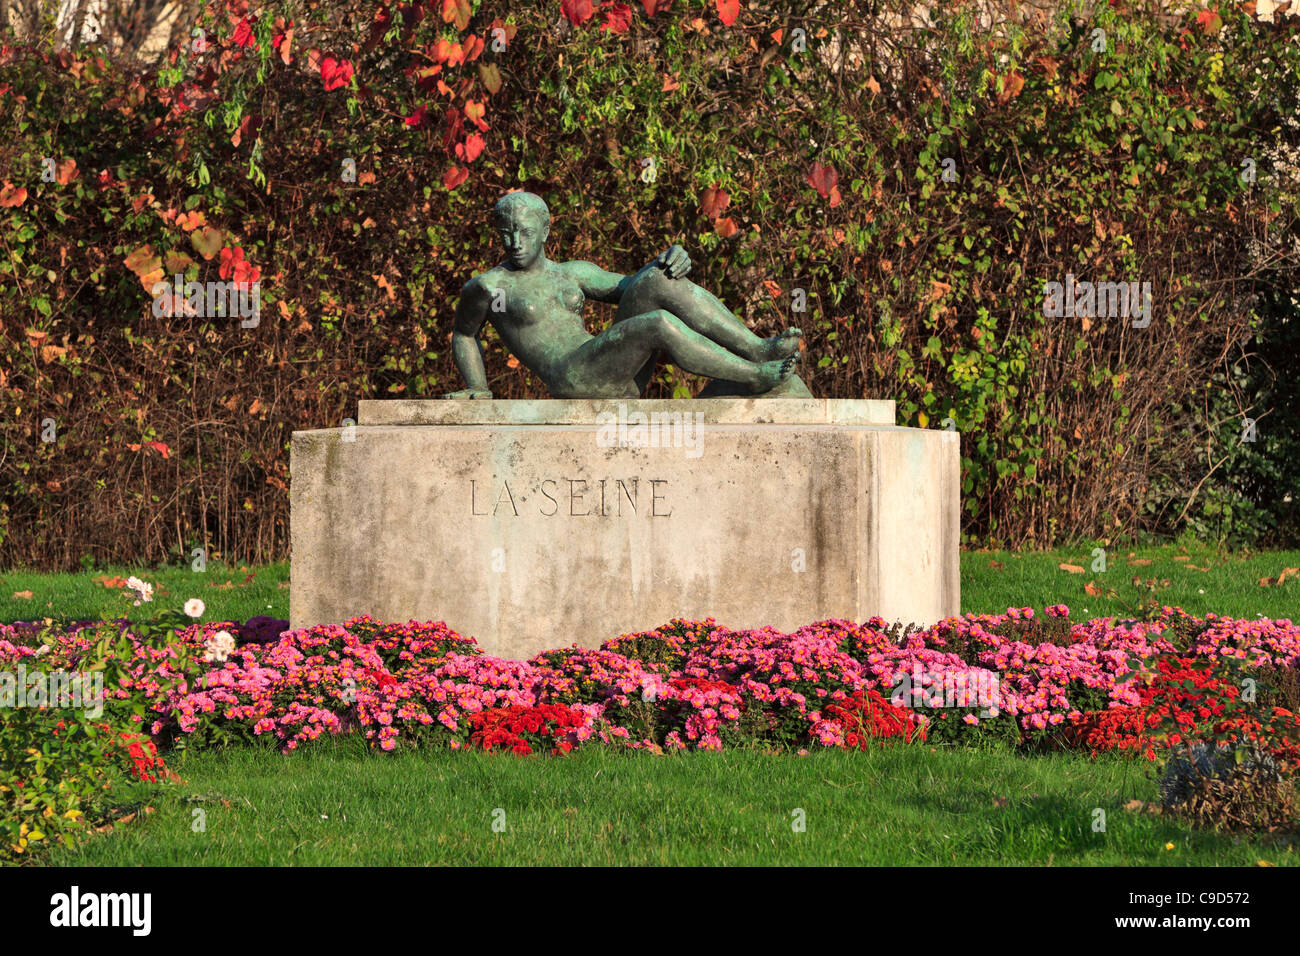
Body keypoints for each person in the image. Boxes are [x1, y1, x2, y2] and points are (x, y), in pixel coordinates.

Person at [445, 191, 802, 399]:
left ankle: (757, 349)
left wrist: (671, 257)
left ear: (545, 231)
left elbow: (635, 286)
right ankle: (752, 375)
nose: (514, 242)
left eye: (523, 231)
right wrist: (477, 386)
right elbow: (464, 332)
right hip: (572, 377)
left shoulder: (571, 272)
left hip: (612, 371)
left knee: (659, 279)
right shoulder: (491, 287)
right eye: (506, 233)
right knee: (656, 323)